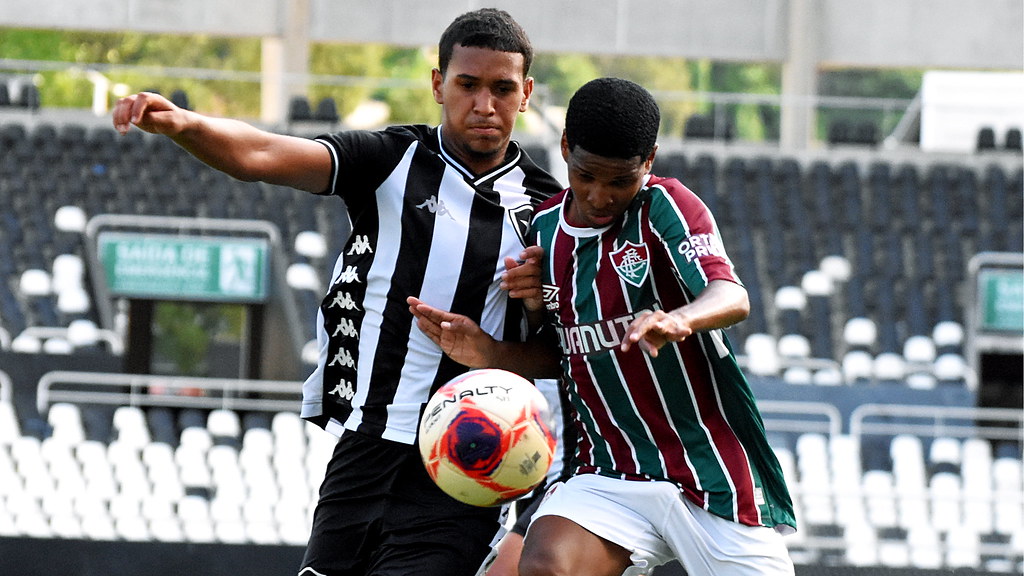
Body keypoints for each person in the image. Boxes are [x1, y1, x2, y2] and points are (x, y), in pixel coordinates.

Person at [113, 8, 563, 576]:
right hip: (364, 446)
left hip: (463, 461)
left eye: (502, 89)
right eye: (467, 85)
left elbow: (565, 349)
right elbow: (261, 154)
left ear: (524, 94)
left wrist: (537, 303)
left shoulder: (551, 212)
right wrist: (186, 125)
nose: (483, 105)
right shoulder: (390, 160)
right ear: (436, 84)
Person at [409, 77, 797, 576]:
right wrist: (489, 352)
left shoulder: (665, 207)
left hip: (710, 473)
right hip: (609, 473)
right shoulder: (544, 231)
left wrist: (678, 320)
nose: (599, 195)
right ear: (566, 147)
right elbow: (565, 355)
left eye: (620, 181)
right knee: (544, 567)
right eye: (586, 175)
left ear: (649, 162)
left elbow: (731, 294)